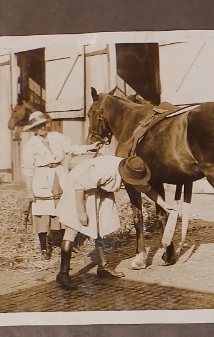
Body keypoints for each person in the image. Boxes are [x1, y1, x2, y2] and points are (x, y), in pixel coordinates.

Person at [54, 154, 155, 290]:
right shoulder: (105, 172)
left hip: (97, 188)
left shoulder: (130, 166)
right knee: (73, 227)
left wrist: (166, 205)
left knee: (100, 225)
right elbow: (80, 186)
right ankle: (63, 274)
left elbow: (144, 188)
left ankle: (103, 267)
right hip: (80, 187)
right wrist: (81, 211)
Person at [20, 110, 99, 259]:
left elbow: (72, 148)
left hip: (60, 175)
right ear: (33, 130)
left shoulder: (56, 137)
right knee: (43, 214)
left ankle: (66, 245)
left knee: (64, 209)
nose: (42, 128)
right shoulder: (30, 146)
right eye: (38, 127)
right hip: (42, 178)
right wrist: (29, 191)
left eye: (43, 125)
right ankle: (44, 248)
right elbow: (28, 169)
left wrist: (90, 147)